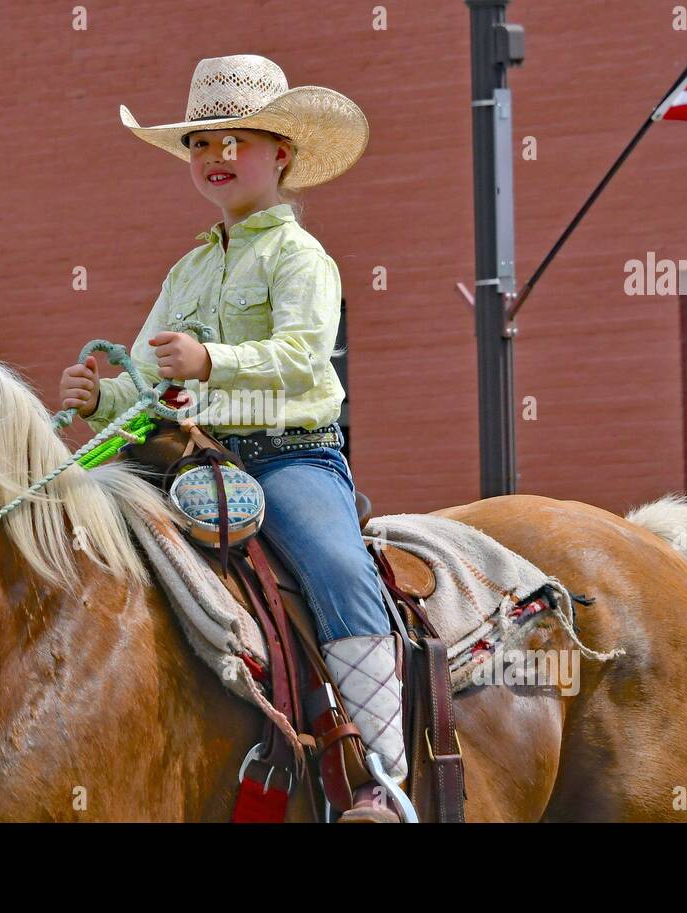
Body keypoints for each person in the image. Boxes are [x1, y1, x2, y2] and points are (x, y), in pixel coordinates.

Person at [59, 54, 406, 822]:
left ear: (282, 154)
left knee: (338, 568)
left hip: (290, 456)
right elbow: (150, 383)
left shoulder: (300, 256)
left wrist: (212, 359)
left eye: (234, 141)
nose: (215, 158)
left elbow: (302, 356)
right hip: (192, 459)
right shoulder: (185, 271)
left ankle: (379, 776)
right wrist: (103, 394)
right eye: (199, 144)